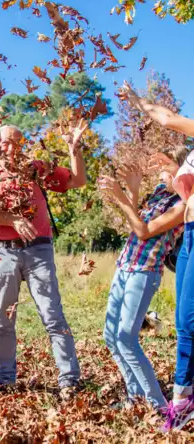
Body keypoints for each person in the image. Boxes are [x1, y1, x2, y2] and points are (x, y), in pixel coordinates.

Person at [0, 120, 87, 400]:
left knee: (52, 314)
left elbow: (78, 180)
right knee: (3, 318)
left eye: (15, 141)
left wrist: (75, 149)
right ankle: (5, 379)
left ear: (22, 145)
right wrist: (11, 218)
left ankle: (69, 380)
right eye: (4, 141)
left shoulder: (35, 168)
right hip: (2, 250)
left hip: (38, 249)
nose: (9, 147)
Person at [123, 84, 194, 431]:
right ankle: (184, 398)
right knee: (184, 322)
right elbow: (166, 118)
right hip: (190, 237)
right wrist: (137, 101)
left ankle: (181, 400)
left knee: (190, 323)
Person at [99, 150, 186, 411]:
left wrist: (119, 196)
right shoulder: (160, 192)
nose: (161, 175)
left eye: (166, 169)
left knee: (125, 336)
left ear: (181, 171)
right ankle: (135, 397)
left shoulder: (183, 205)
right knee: (111, 336)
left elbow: (144, 230)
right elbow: (135, 221)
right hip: (125, 265)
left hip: (144, 271)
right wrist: (132, 190)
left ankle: (158, 405)